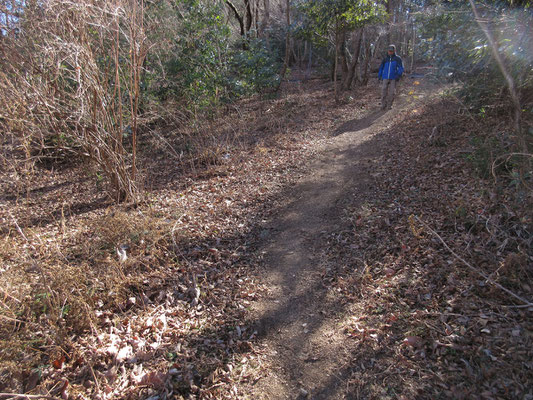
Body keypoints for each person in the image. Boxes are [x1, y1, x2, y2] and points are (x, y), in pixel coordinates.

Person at [378, 44, 404, 110]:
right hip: (385, 77)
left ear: (394, 51)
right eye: (389, 51)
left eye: (391, 51)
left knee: (392, 92)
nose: (390, 52)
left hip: (393, 77)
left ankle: (389, 105)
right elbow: (381, 67)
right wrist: (379, 75)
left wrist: (398, 75)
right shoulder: (385, 59)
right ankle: (383, 105)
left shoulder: (398, 59)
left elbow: (401, 67)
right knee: (383, 91)